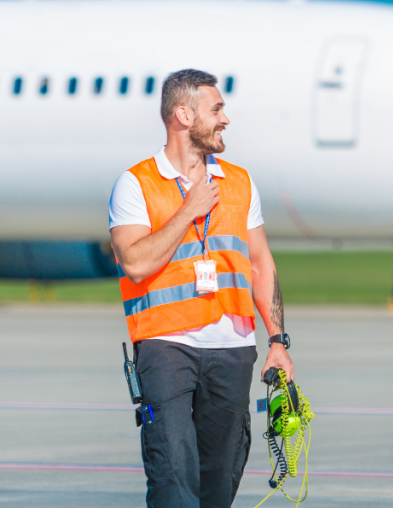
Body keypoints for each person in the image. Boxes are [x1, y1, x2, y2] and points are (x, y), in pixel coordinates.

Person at [109, 69, 294, 508]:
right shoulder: (136, 184)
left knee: (219, 482)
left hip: (232, 348)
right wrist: (188, 211)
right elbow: (135, 263)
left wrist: (278, 341)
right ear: (183, 116)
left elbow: (260, 262)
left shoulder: (240, 183)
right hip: (165, 347)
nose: (226, 119)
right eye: (217, 110)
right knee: (173, 476)